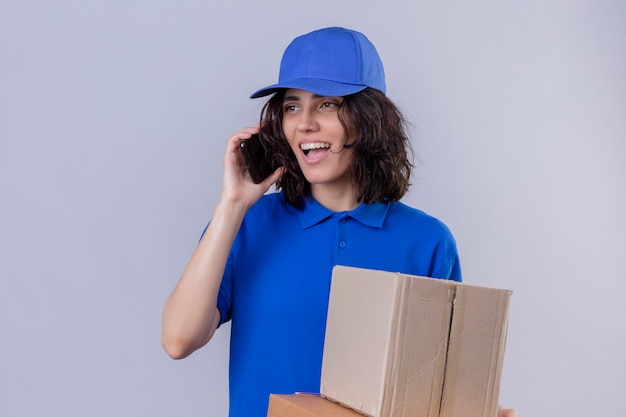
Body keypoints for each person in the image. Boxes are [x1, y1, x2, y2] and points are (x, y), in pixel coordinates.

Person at [162, 27, 517, 417]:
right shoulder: (247, 224)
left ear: (369, 119)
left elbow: (438, 392)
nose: (304, 124)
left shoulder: (427, 242)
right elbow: (178, 340)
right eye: (292, 106)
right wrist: (232, 205)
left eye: (327, 105)